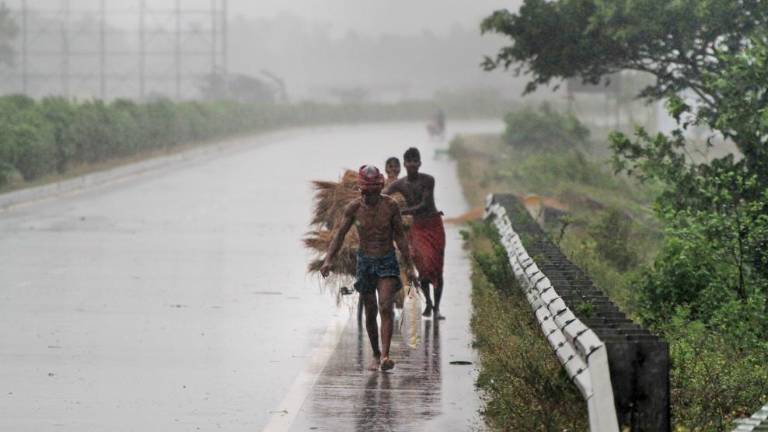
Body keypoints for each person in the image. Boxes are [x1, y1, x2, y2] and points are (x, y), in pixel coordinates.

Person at [321, 165, 417, 371]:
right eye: (368, 192)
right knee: (371, 310)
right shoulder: (353, 208)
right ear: (362, 190)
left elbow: (400, 236)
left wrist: (410, 266)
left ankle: (385, 355)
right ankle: (375, 353)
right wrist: (328, 259)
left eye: (375, 192)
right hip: (364, 262)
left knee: (385, 306)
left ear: (380, 188)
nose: (371, 197)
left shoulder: (391, 206)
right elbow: (339, 235)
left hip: (386, 260)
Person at [384, 147, 446, 319]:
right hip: (417, 228)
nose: (411, 164)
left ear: (419, 163)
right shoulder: (399, 184)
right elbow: (384, 195)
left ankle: (437, 308)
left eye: (414, 161)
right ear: (405, 164)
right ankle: (429, 302)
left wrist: (401, 212)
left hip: (434, 225)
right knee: (423, 265)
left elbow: (424, 205)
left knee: (437, 267)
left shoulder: (428, 180)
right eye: (408, 161)